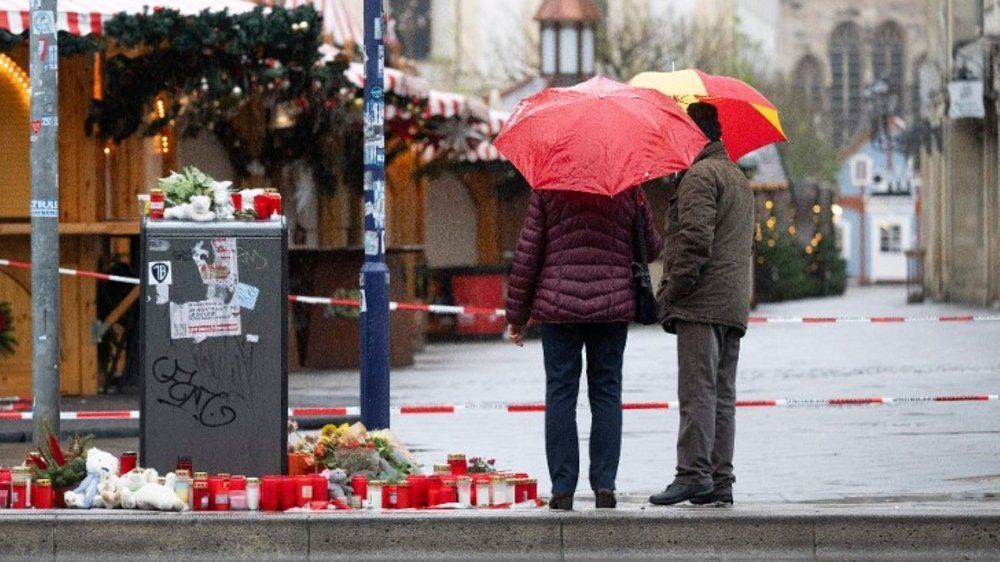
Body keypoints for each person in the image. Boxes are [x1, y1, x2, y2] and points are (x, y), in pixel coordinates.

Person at [506, 186, 662, 511]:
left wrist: (517, 317)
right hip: (611, 304)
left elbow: (528, 254)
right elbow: (652, 248)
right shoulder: (627, 187)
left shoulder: (549, 186)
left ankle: (562, 489)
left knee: (561, 394)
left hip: (558, 306)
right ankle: (604, 485)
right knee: (606, 392)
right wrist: (639, 204)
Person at [649, 103, 755, 507]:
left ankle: (692, 474)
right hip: (732, 304)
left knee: (698, 391)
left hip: (701, 303)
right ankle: (719, 481)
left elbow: (693, 243)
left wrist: (670, 293)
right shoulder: (737, 178)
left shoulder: (700, 176)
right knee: (722, 394)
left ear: (694, 136)